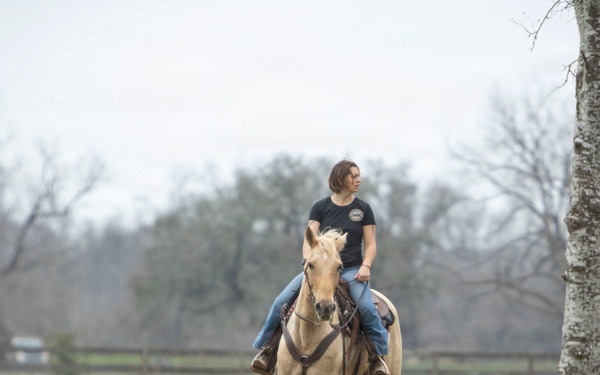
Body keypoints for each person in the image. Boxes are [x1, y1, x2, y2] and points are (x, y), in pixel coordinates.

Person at [250, 159, 390, 375]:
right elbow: (309, 239)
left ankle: (377, 358)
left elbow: (370, 244)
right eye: (353, 176)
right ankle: (267, 351)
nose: (358, 179)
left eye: (358, 175)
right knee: (281, 302)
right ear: (340, 178)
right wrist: (310, 262)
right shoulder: (320, 207)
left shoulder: (363, 209)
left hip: (351, 270)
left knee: (367, 310)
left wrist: (366, 266)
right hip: (317, 268)